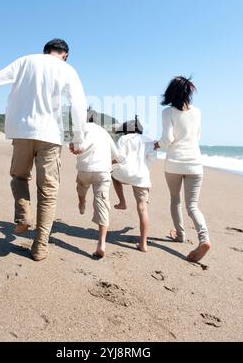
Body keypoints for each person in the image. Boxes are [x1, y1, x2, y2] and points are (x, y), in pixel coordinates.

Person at [0, 39, 87, 261]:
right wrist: (78, 137)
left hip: (22, 131)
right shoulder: (68, 69)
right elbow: (79, 104)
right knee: (48, 191)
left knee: (19, 177)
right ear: (65, 54)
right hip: (51, 136)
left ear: (45, 51)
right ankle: (39, 246)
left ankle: (23, 214)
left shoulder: (25, 61)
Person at [154, 76, 210, 263]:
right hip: (195, 163)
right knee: (193, 206)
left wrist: (156, 145)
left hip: (174, 164)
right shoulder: (198, 112)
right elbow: (197, 136)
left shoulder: (167, 112)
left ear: (171, 93)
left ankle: (180, 234)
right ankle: (204, 238)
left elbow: (167, 139)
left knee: (175, 199)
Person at [70, 113, 124, 258]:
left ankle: (82, 202)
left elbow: (76, 147)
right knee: (102, 204)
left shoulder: (80, 129)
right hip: (102, 172)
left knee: (81, 186)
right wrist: (112, 162)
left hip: (85, 169)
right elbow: (117, 156)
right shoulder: (104, 132)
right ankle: (101, 243)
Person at [112, 116, 157, 252]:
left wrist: (109, 162)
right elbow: (152, 159)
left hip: (125, 173)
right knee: (142, 209)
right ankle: (143, 244)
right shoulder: (148, 140)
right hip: (141, 177)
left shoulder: (123, 139)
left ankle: (122, 202)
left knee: (113, 176)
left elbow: (120, 157)